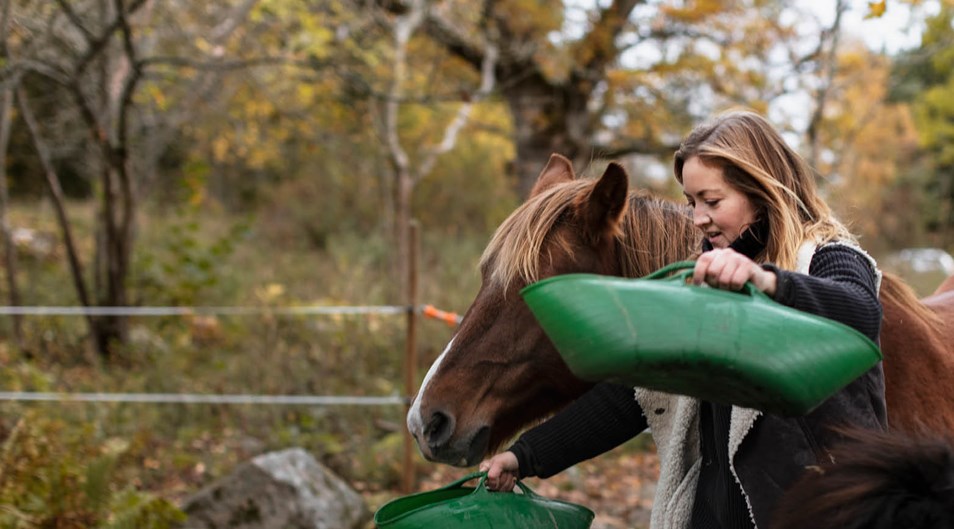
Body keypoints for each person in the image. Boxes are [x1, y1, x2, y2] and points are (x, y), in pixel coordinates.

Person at [478, 109, 887, 529]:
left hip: (814, 514)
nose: (697, 218)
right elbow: (639, 394)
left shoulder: (824, 256)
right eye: (692, 202)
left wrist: (768, 282)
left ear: (760, 192)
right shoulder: (701, 281)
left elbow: (861, 313)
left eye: (712, 201)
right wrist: (526, 454)